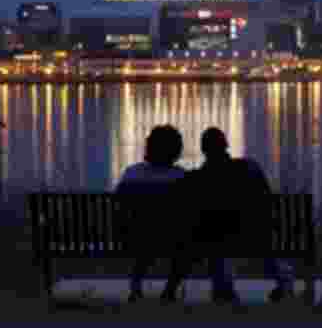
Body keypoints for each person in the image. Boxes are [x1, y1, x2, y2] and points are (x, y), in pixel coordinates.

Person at [115, 125, 233, 303]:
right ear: (176, 150)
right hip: (173, 239)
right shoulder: (181, 177)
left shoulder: (131, 174)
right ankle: (170, 289)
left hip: (132, 237)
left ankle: (136, 286)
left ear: (149, 148)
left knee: (145, 239)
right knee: (188, 246)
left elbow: (119, 203)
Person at [177, 127, 295, 304]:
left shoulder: (198, 177)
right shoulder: (248, 167)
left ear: (203, 149)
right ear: (226, 145)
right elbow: (266, 199)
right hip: (254, 234)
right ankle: (283, 281)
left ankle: (224, 289)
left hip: (217, 238)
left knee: (213, 234)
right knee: (256, 235)